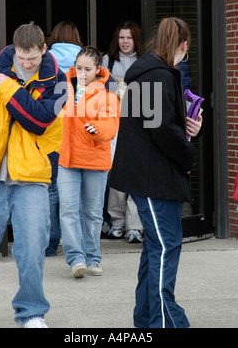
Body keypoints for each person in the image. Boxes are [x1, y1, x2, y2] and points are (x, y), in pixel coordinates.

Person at [0, 22, 66, 328]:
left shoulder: (59, 82)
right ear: (15, 49)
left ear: (43, 50)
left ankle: (31, 312)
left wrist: (7, 88)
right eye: (21, 57)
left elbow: (41, 119)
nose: (26, 63)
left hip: (33, 177)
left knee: (32, 247)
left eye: (32, 58)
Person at [109, 17, 202, 328]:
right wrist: (188, 153)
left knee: (155, 249)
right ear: (183, 45)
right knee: (164, 247)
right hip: (154, 178)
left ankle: (148, 320)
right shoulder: (159, 77)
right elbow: (161, 130)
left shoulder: (149, 73)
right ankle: (164, 321)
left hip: (150, 176)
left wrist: (189, 131)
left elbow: (157, 126)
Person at [58, 46, 120, 278]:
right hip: (68, 158)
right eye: (79, 67)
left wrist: (98, 128)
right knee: (68, 210)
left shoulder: (108, 90)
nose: (83, 72)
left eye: (88, 69)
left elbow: (112, 123)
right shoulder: (63, 85)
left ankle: (93, 257)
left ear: (98, 69)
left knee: (93, 213)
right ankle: (76, 258)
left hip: (95, 157)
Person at [102, 21, 143, 243]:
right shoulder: (107, 61)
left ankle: (134, 226)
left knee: (135, 173)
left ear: (136, 39)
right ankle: (116, 221)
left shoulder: (144, 61)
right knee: (117, 172)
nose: (125, 42)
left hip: (136, 124)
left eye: (129, 37)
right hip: (114, 123)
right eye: (121, 37)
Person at [45, 21, 82, 257]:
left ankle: (49, 243)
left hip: (51, 129)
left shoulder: (47, 59)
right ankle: (76, 244)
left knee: (50, 188)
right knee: (73, 191)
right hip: (78, 132)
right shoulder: (85, 60)